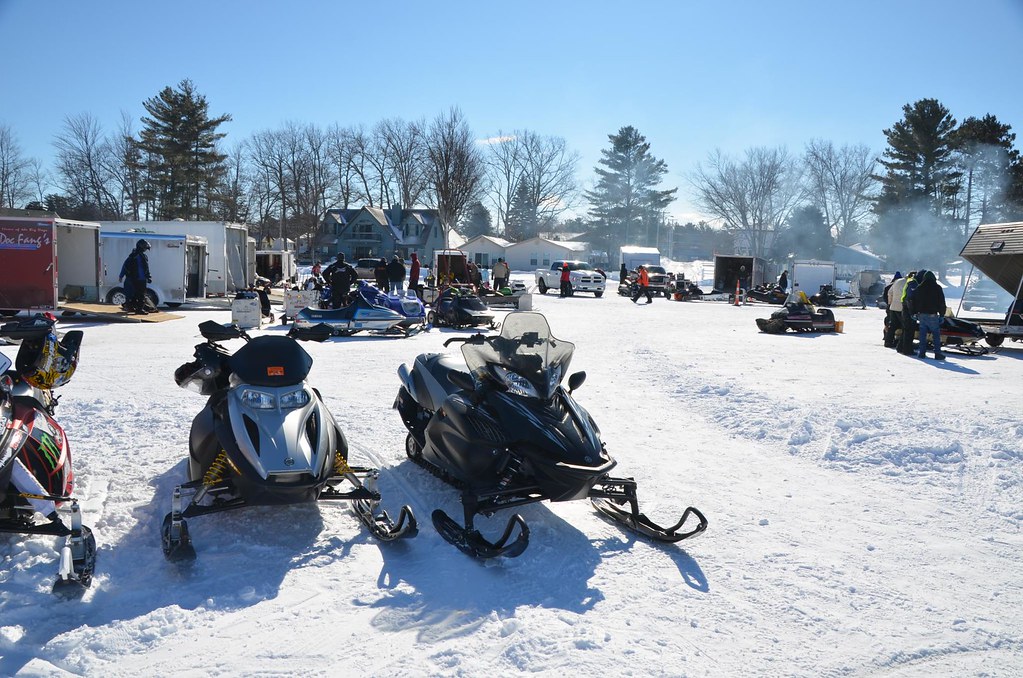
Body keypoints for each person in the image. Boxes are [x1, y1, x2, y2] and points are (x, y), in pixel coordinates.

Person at [913, 270, 946, 360]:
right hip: (933, 315)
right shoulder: (937, 288)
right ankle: (937, 353)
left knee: (922, 335)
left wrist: (914, 312)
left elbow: (914, 301)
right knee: (936, 335)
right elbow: (942, 302)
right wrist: (942, 314)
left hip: (922, 315)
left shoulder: (919, 288)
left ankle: (922, 352)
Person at [119, 239, 153, 314]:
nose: (145, 250)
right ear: (141, 247)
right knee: (140, 295)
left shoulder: (140, 256)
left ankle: (132, 306)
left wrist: (148, 277)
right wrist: (121, 276)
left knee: (137, 295)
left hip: (140, 279)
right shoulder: (135, 256)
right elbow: (125, 266)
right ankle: (139, 309)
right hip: (137, 279)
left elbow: (146, 268)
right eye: (145, 248)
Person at [898, 271, 919, 356]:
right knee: (909, 331)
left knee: (905, 329)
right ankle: (907, 350)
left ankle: (900, 347)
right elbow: (910, 299)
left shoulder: (909, 281)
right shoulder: (913, 283)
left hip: (904, 307)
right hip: (908, 309)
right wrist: (912, 312)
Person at [884, 271, 904, 349]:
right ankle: (899, 342)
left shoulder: (889, 286)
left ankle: (887, 340)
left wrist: (889, 304)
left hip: (891, 307)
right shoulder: (903, 284)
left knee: (890, 324)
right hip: (900, 308)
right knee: (903, 325)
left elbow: (888, 295)